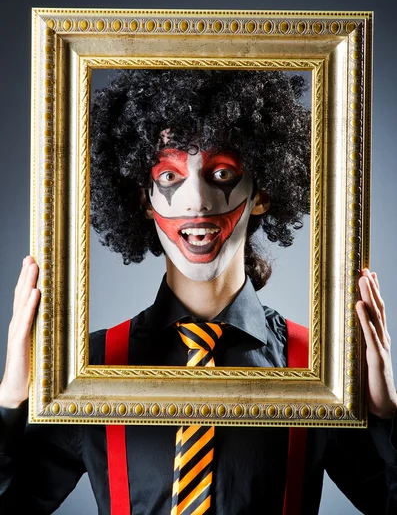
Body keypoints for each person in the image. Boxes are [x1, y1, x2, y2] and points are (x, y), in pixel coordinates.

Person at [0, 69, 396, 515]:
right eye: (169, 177)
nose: (198, 201)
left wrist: (385, 418)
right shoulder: (91, 368)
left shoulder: (319, 367)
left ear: (262, 191)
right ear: (144, 199)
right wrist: (10, 407)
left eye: (222, 171)